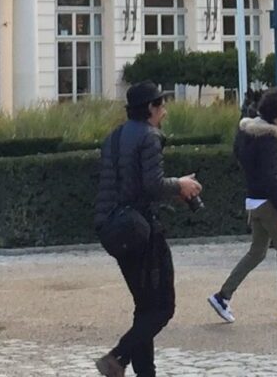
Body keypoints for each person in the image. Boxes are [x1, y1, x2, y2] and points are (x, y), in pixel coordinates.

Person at [92, 82, 202, 377]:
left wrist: (173, 187)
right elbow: (152, 184)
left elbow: (129, 184)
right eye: (162, 106)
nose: (164, 112)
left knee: (144, 306)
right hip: (141, 230)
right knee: (162, 307)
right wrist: (180, 185)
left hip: (113, 228)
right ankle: (116, 357)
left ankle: (144, 373)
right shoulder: (150, 137)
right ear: (151, 108)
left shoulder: (113, 137)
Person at [210, 90, 277, 327]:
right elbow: (271, 178)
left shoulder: (247, 132)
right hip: (268, 202)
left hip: (253, 200)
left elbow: (242, 159)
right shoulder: (271, 139)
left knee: (257, 252)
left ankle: (223, 296)